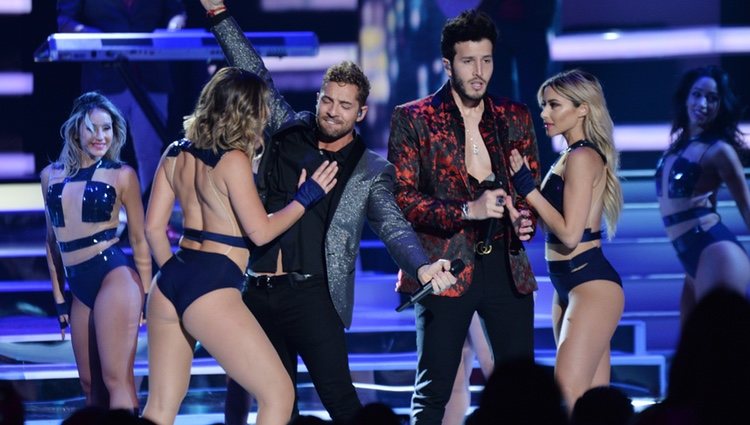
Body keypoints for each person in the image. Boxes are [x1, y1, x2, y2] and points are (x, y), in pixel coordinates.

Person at [200, 2, 457, 424]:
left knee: (340, 400)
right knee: (277, 403)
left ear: (361, 112)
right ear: (318, 99)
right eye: (327, 100)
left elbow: (393, 226)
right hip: (257, 291)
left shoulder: (369, 170)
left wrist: (422, 268)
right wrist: (218, 14)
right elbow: (254, 72)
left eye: (344, 105)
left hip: (313, 296)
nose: (332, 111)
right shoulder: (289, 129)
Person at [141, 66, 339, 425]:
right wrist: (306, 196)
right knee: (278, 395)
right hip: (213, 284)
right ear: (246, 112)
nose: (265, 115)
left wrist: (176, 274)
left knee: (158, 409)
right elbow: (260, 232)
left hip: (169, 282)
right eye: (261, 108)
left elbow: (153, 228)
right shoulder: (233, 160)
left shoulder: (174, 152)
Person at [387, 9, 539, 424]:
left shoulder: (515, 116)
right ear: (447, 64)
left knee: (521, 390)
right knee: (434, 389)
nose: (479, 72)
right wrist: (465, 210)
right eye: (469, 61)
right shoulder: (414, 118)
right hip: (444, 266)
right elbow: (400, 198)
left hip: (506, 267)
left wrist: (525, 220)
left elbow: (529, 192)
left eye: (486, 60)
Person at [508, 69, 624, 412]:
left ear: (582, 109)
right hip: (568, 285)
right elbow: (555, 223)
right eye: (544, 105)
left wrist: (528, 189)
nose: (544, 113)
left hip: (590, 284)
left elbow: (571, 234)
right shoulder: (569, 156)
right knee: (590, 406)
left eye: (554, 105)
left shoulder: (582, 157)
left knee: (567, 400)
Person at [41, 92, 151, 410]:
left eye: (106, 128)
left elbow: (140, 239)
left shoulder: (122, 175)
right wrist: (59, 299)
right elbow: (51, 242)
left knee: (117, 378)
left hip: (113, 277)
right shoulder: (50, 177)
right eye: (91, 128)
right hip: (78, 286)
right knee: (90, 384)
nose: (100, 136)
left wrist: (143, 294)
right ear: (76, 130)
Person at [57, 0, 187, 195]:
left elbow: (177, 13)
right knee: (96, 152)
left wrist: (172, 30)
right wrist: (91, 35)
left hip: (151, 75)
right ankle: (96, 216)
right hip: (104, 76)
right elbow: (64, 20)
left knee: (151, 154)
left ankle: (153, 220)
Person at [655, 65, 750, 319]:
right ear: (686, 97)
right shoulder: (677, 148)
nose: (703, 104)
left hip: (717, 252)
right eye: (697, 95)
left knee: (718, 347)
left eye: (712, 98)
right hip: (692, 258)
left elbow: (746, 206)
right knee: (695, 351)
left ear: (720, 105)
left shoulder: (720, 150)